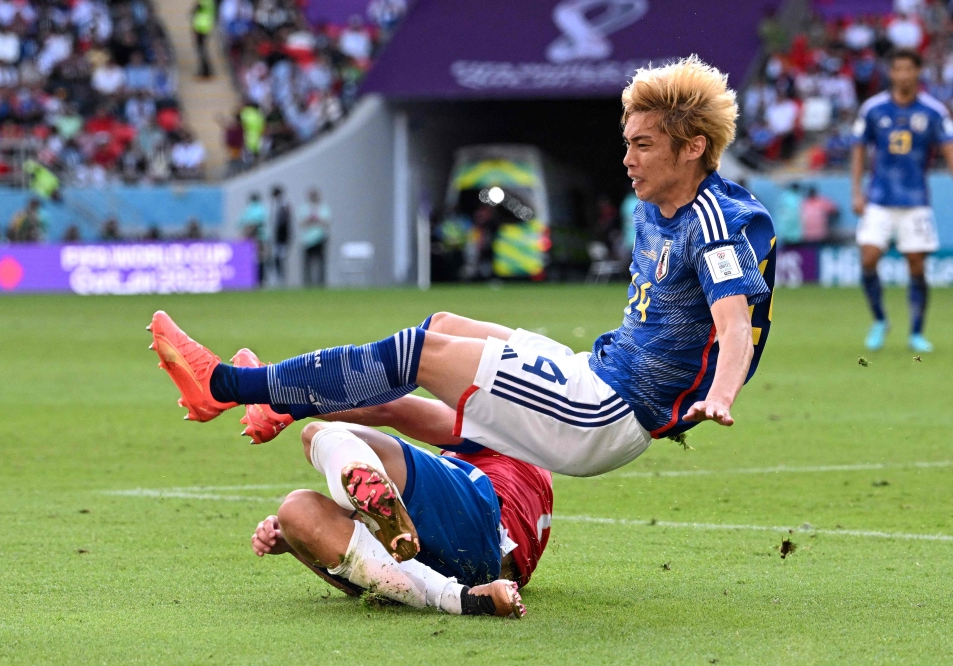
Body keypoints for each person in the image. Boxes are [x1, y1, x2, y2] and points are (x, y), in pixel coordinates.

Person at [146, 55, 775, 479]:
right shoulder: (655, 206)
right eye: (627, 143)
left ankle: (226, 387)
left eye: (643, 145)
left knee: (422, 352)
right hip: (595, 372)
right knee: (441, 327)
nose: (628, 159)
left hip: (606, 412)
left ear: (693, 147)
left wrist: (719, 398)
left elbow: (734, 323)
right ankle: (286, 403)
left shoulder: (713, 220)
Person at [236, 351, 549, 617]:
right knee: (295, 512)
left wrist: (278, 396)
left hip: (482, 520)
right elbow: (365, 574)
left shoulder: (507, 420)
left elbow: (389, 409)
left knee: (316, 436)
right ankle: (461, 599)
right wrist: (297, 544)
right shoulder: (535, 456)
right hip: (473, 567)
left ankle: (377, 513)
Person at [851, 48, 953, 353]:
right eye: (898, 69)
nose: (903, 74)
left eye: (909, 69)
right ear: (891, 73)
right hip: (879, 199)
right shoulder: (873, 109)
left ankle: (917, 332)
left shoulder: (934, 111)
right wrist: (857, 191)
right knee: (868, 258)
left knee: (916, 266)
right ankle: (880, 320)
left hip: (915, 200)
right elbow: (858, 149)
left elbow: (949, 150)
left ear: (918, 72)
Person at [298, 188, 330, 286]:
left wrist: (317, 219)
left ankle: (321, 283)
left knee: (321, 262)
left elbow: (327, 222)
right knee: (307, 263)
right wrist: (310, 220)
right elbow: (301, 223)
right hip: (307, 240)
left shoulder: (323, 207)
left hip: (320, 238)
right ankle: (307, 283)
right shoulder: (304, 207)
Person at [238, 192, 269, 285]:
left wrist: (246, 233)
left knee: (255, 259)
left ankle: (253, 279)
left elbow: (241, 222)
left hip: (254, 238)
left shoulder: (248, 209)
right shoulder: (261, 209)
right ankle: (260, 279)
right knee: (260, 259)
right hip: (259, 238)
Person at [271, 186, 292, 285]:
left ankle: (282, 279)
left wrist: (286, 237)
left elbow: (285, 222)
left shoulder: (284, 205)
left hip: (282, 237)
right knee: (276, 258)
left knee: (281, 258)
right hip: (276, 237)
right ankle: (279, 277)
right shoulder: (274, 205)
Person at [191, 0, 216, 78]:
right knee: (203, 50)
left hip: (201, 27)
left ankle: (205, 70)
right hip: (205, 26)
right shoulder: (210, 2)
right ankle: (207, 70)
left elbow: (196, 10)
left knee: (201, 50)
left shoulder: (204, 2)